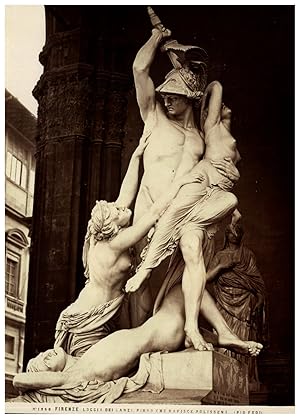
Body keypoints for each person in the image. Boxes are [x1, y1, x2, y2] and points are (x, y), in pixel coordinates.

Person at [128, 26, 240, 344]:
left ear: (189, 98)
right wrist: (155, 37)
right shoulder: (154, 118)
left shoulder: (200, 141)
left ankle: (198, 331)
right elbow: (139, 69)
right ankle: (140, 350)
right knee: (143, 291)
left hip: (178, 215)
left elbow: (199, 179)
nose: (166, 101)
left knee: (189, 269)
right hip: (148, 213)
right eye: (164, 96)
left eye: (173, 96)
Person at [53, 134, 202, 357]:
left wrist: (136, 156)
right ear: (111, 225)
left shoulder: (100, 234)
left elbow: (125, 196)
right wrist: (179, 182)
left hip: (97, 312)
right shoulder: (116, 242)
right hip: (89, 320)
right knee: (90, 374)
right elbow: (153, 213)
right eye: (117, 211)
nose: (122, 208)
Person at [12, 281, 263, 403]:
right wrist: (38, 382)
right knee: (185, 283)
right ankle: (224, 333)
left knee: (188, 283)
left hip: (159, 329)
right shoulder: (76, 375)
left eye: (42, 353)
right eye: (43, 362)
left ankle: (215, 336)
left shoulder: (84, 357)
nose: (45, 354)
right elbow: (19, 379)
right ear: (52, 379)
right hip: (162, 330)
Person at [206, 220, 266, 390]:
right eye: (232, 231)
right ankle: (224, 380)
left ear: (241, 235)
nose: (235, 234)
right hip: (223, 303)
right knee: (223, 336)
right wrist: (220, 267)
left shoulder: (247, 255)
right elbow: (204, 278)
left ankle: (245, 380)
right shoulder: (219, 255)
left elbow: (257, 281)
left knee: (244, 337)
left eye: (238, 231)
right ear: (227, 234)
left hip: (244, 303)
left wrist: (260, 298)